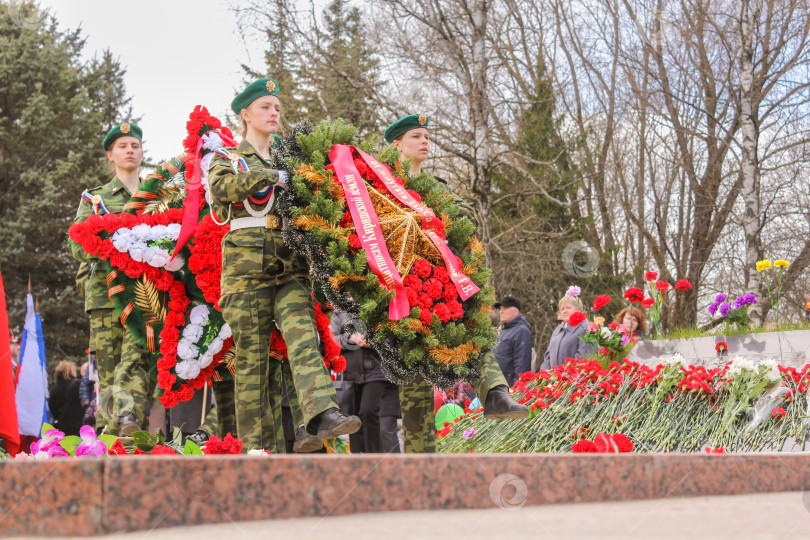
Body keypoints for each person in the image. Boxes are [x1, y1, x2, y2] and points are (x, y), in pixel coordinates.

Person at [207, 78, 360, 452]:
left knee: (303, 333)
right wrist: (272, 176)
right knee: (254, 363)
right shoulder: (227, 157)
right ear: (245, 114)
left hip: (290, 263)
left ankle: (322, 413)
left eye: (277, 107)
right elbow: (223, 190)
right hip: (246, 268)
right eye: (265, 107)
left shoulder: (291, 159)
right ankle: (257, 449)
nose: (274, 113)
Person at [383, 114, 529, 453]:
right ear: (396, 144)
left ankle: (495, 394)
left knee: (471, 334)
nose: (424, 141)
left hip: (441, 285)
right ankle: (422, 465)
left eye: (426, 136)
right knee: (415, 382)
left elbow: (467, 217)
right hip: (403, 292)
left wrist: (433, 210)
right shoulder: (380, 183)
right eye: (416, 136)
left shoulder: (438, 186)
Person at [70, 123, 153, 436]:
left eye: (135, 145)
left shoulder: (156, 195)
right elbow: (76, 244)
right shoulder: (95, 199)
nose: (129, 150)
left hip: (147, 296)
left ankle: (130, 420)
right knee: (107, 372)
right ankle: (111, 436)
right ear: (110, 155)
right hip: (106, 298)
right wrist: (110, 246)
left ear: (142, 152)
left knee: (137, 361)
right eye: (122, 146)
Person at [331, 309, 401, 453]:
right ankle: (360, 461)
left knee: (368, 411)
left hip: (378, 372)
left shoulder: (379, 301)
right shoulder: (339, 310)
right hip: (351, 374)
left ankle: (372, 457)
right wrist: (352, 339)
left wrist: (373, 340)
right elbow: (332, 340)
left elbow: (395, 335)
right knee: (354, 420)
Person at [493, 295, 534, 386]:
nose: (501, 312)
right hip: (497, 387)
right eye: (500, 309)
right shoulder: (504, 331)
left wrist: (516, 390)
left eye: (504, 308)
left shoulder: (521, 331)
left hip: (509, 389)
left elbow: (522, 365)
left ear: (516, 312)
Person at [541, 295, 590, 370]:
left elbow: (583, 357)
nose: (564, 311)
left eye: (568, 308)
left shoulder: (586, 327)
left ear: (579, 309)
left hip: (573, 379)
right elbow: (548, 356)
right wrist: (545, 374)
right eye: (562, 309)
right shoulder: (557, 330)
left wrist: (566, 375)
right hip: (554, 379)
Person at [49, 361, 84, 436]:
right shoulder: (77, 384)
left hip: (61, 426)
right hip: (77, 426)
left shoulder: (54, 388)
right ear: (70, 372)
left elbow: (52, 407)